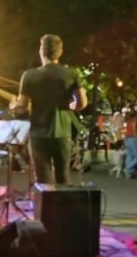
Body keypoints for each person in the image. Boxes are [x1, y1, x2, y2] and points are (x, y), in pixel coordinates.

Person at [15, 34, 87, 185]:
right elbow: (82, 103)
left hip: (38, 133)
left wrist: (16, 107)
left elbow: (21, 107)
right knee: (63, 177)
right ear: (60, 52)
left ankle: (45, 208)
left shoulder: (29, 75)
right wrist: (71, 106)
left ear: (42, 52)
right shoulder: (70, 74)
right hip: (62, 133)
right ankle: (62, 207)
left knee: (42, 180)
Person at [123, 109, 137, 179]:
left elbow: (126, 132)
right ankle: (128, 168)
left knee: (129, 156)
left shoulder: (128, 121)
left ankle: (129, 172)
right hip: (132, 139)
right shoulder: (134, 122)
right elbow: (134, 131)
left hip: (127, 139)